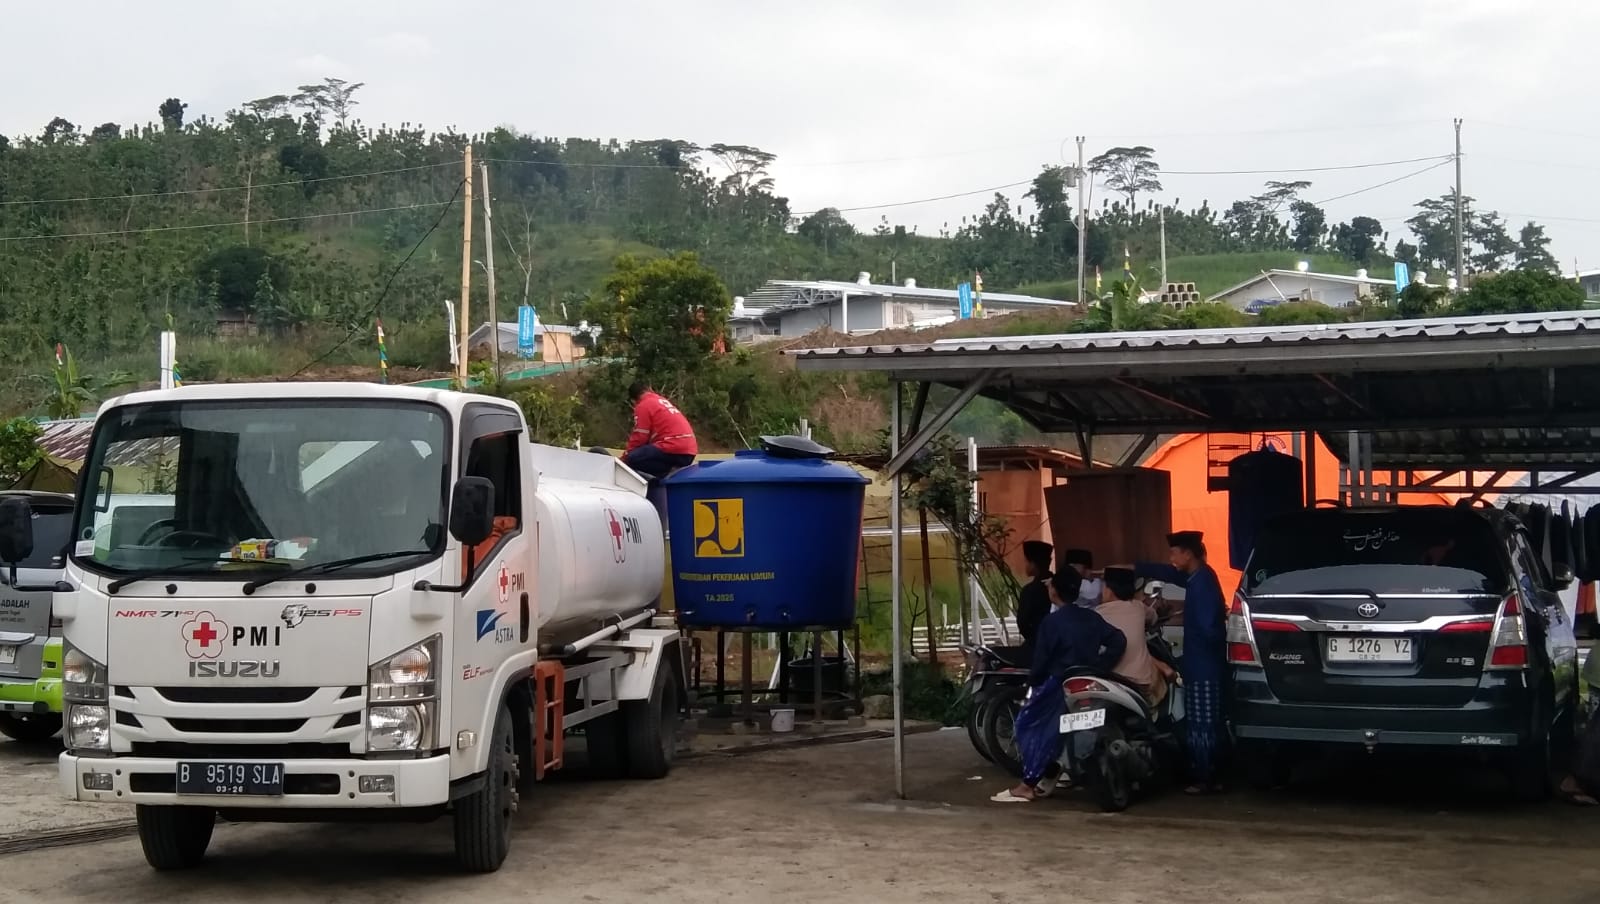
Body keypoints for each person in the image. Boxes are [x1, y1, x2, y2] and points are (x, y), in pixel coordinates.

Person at [991, 570, 1127, 804]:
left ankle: (1028, 783)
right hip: (1088, 681)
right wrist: (1100, 665)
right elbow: (1119, 640)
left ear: (1054, 591)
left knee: (1028, 725)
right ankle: (1053, 771)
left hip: (1057, 683)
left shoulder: (1052, 622)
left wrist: (1031, 683)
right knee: (1060, 730)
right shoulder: (1091, 617)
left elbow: (1042, 660)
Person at [1131, 530, 1227, 795]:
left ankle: (1205, 777)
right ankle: (1208, 775)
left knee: (1203, 722)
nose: (1171, 557)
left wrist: (1195, 655)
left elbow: (1209, 629)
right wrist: (1139, 567)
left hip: (1204, 664)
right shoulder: (1197, 578)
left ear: (1187, 553)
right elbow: (1170, 574)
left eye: (1174, 552)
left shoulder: (1203, 582)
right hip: (1200, 662)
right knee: (1204, 721)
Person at [1096, 566, 1166, 707]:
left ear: (1109, 591)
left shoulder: (1097, 614)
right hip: (1139, 683)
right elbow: (1153, 617)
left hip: (1107, 681)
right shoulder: (1138, 608)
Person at [621, 381, 698, 481]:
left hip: (672, 447)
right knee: (644, 453)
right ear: (649, 389)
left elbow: (640, 435)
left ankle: (663, 478)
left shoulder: (643, 405)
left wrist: (625, 458)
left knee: (633, 459)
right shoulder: (660, 400)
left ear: (633, 400)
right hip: (689, 450)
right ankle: (669, 474)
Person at [1014, 541, 1054, 661]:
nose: (1025, 565)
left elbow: (1023, 623)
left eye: (1026, 561)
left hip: (1035, 648)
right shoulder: (1060, 585)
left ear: (1033, 563)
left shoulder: (1030, 591)